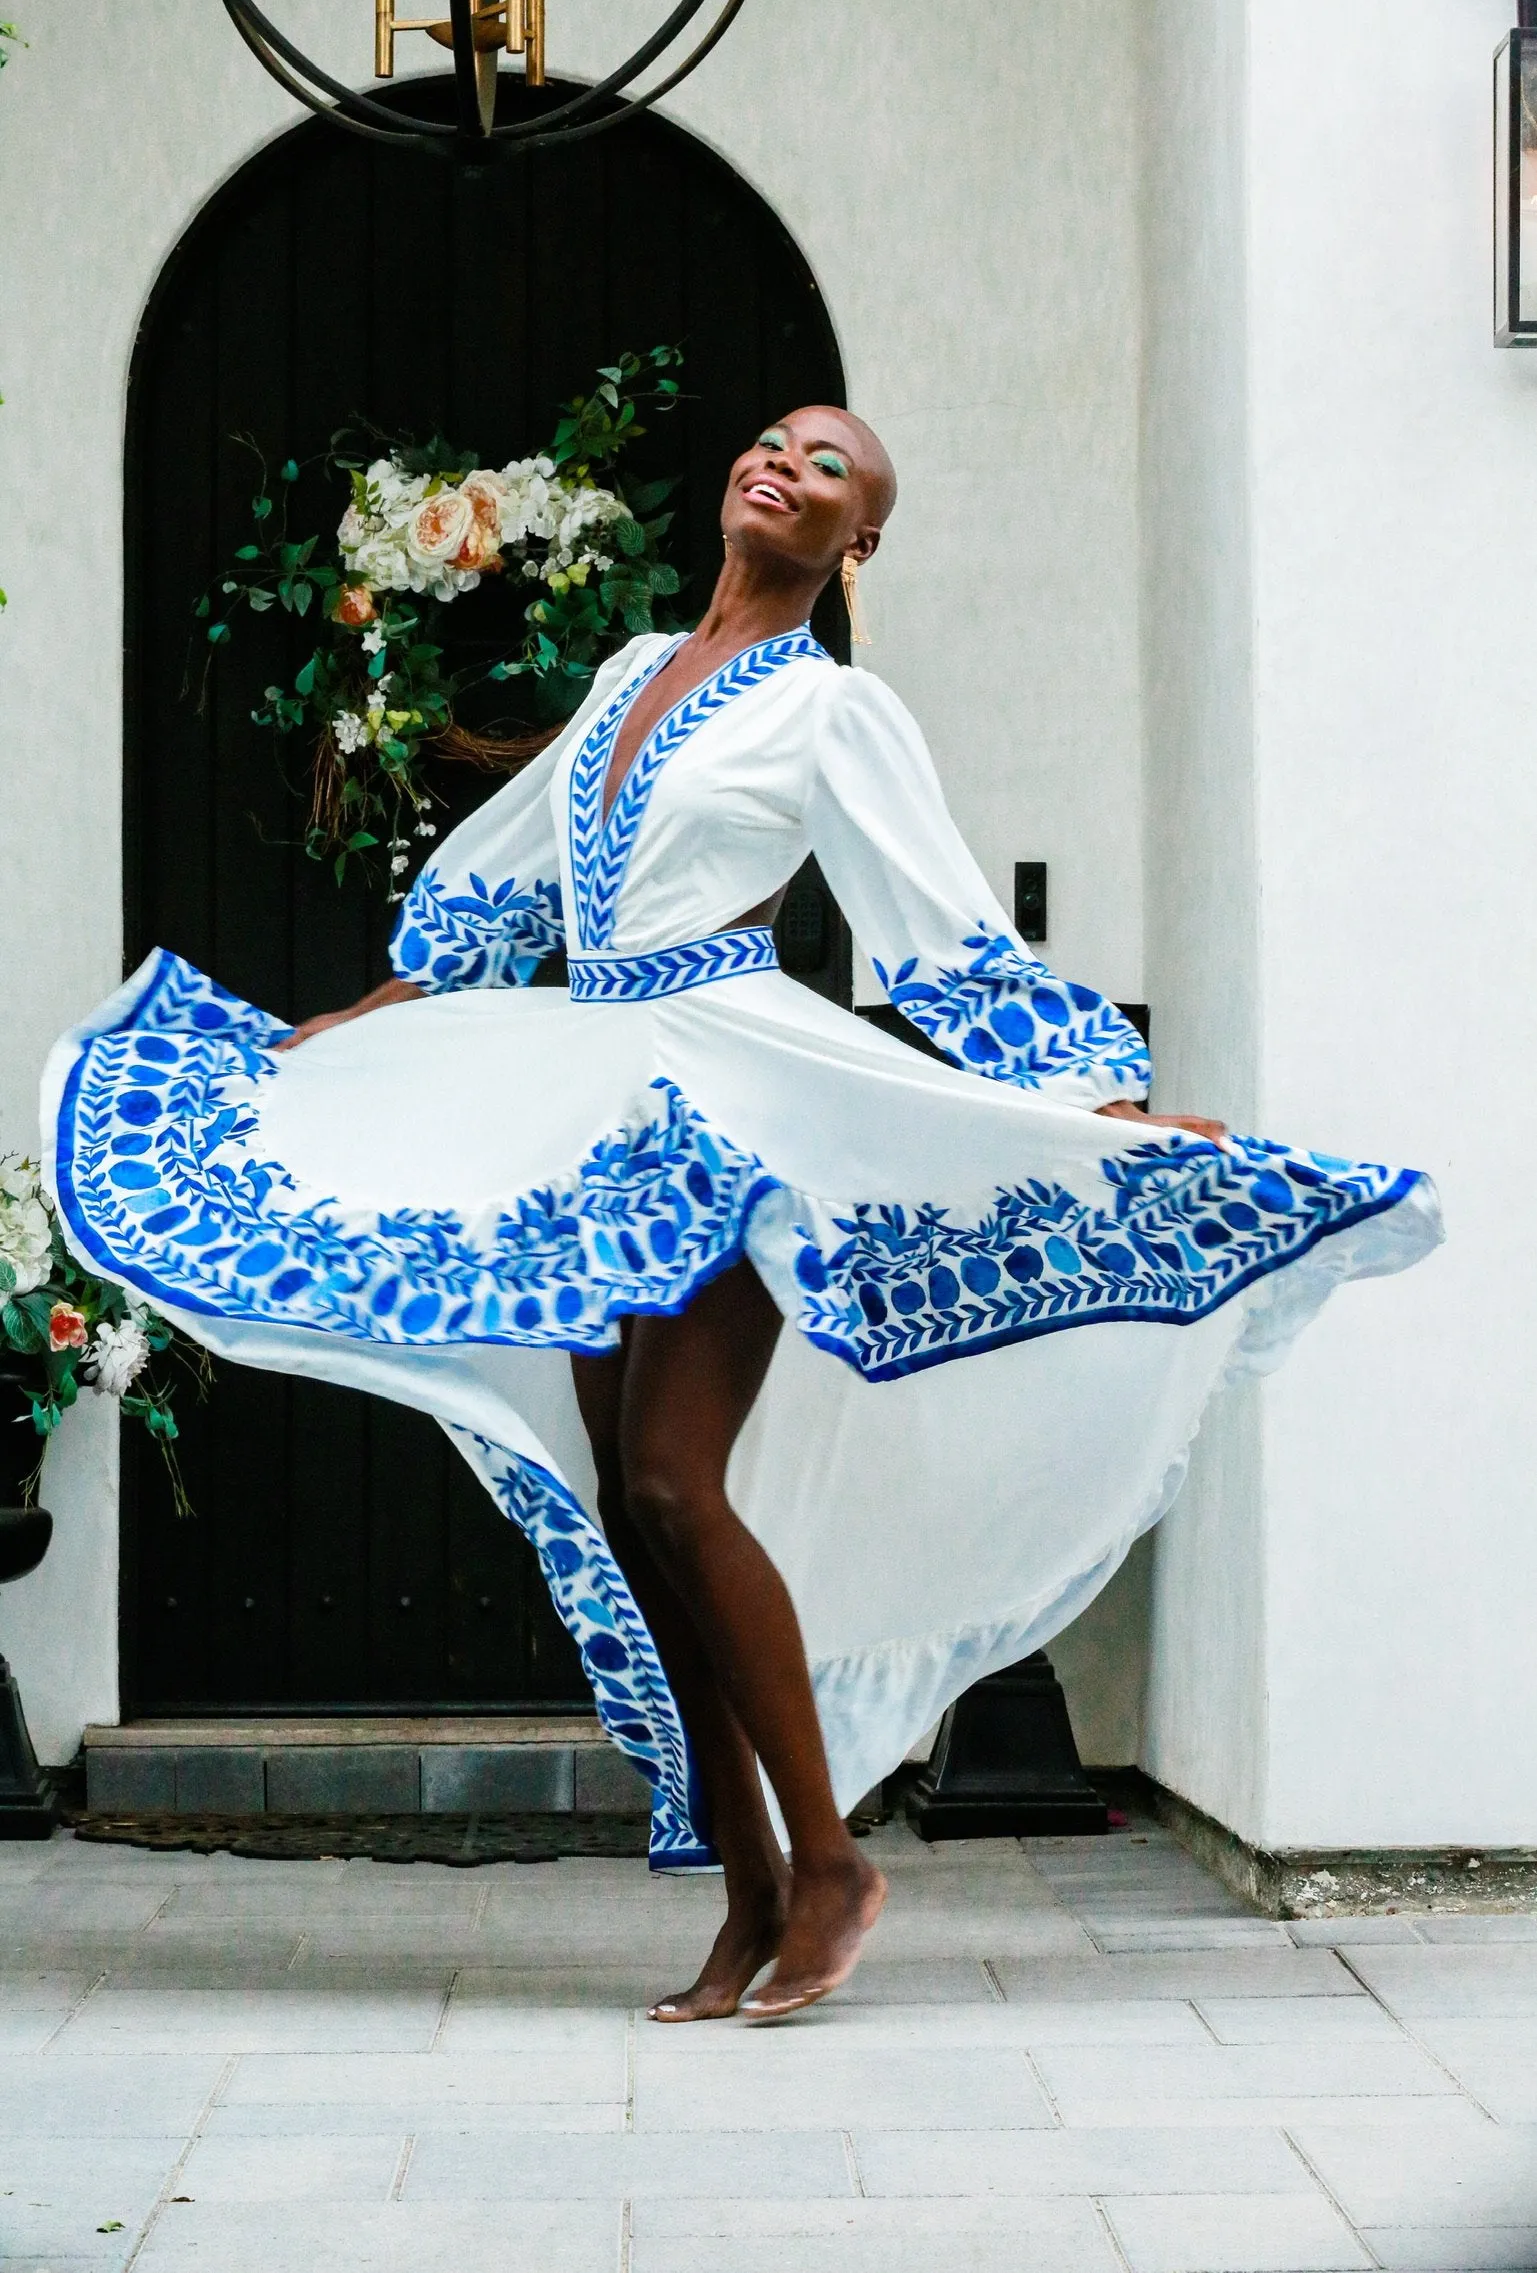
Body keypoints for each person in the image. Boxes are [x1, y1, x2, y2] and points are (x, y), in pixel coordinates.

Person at [43, 409, 1441, 2024]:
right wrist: (355, 1026)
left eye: (829, 467)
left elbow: (940, 930)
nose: (785, 462)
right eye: (774, 443)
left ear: (859, 543)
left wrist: (1105, 1110)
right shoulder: (633, 668)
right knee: (636, 1518)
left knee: (670, 1480)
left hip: (728, 1095)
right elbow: (501, 884)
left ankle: (830, 1858)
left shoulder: (833, 710)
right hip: (589, 1101)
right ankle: (753, 1886)